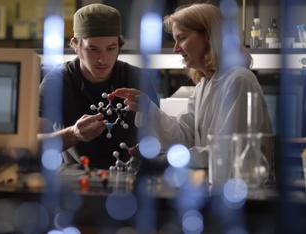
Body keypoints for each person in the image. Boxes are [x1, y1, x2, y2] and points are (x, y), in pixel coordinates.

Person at [113, 3, 272, 168]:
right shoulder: (205, 84)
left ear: (209, 36)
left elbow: (227, 152)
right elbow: (183, 137)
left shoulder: (238, 80)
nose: (175, 49)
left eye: (181, 38)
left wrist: (167, 160)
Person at [38, 3, 158, 169]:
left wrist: (150, 112)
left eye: (110, 48)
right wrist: (73, 134)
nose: (103, 59)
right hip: (76, 181)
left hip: (131, 180)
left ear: (119, 46)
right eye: (93, 49)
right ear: (75, 45)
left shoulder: (137, 79)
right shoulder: (57, 82)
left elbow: (162, 140)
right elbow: (32, 144)